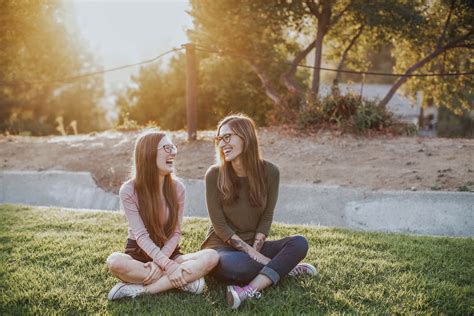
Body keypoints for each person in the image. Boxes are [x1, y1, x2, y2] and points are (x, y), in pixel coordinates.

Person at [201, 114, 317, 309]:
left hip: (255, 245)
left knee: (299, 243)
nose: (222, 144)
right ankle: (284, 268)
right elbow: (219, 226)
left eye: (227, 137)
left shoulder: (271, 172)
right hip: (222, 250)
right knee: (243, 266)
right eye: (219, 139)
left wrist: (256, 250)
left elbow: (266, 216)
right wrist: (253, 255)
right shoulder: (214, 174)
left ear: (246, 137)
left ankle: (246, 290)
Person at [106, 130, 219, 300]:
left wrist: (163, 263)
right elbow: (141, 235)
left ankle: (141, 290)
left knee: (211, 256)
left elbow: (175, 233)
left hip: (169, 251)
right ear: (148, 154)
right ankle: (185, 281)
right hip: (139, 252)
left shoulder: (178, 188)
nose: (173, 152)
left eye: (173, 147)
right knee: (115, 262)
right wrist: (169, 267)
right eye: (166, 148)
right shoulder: (129, 190)